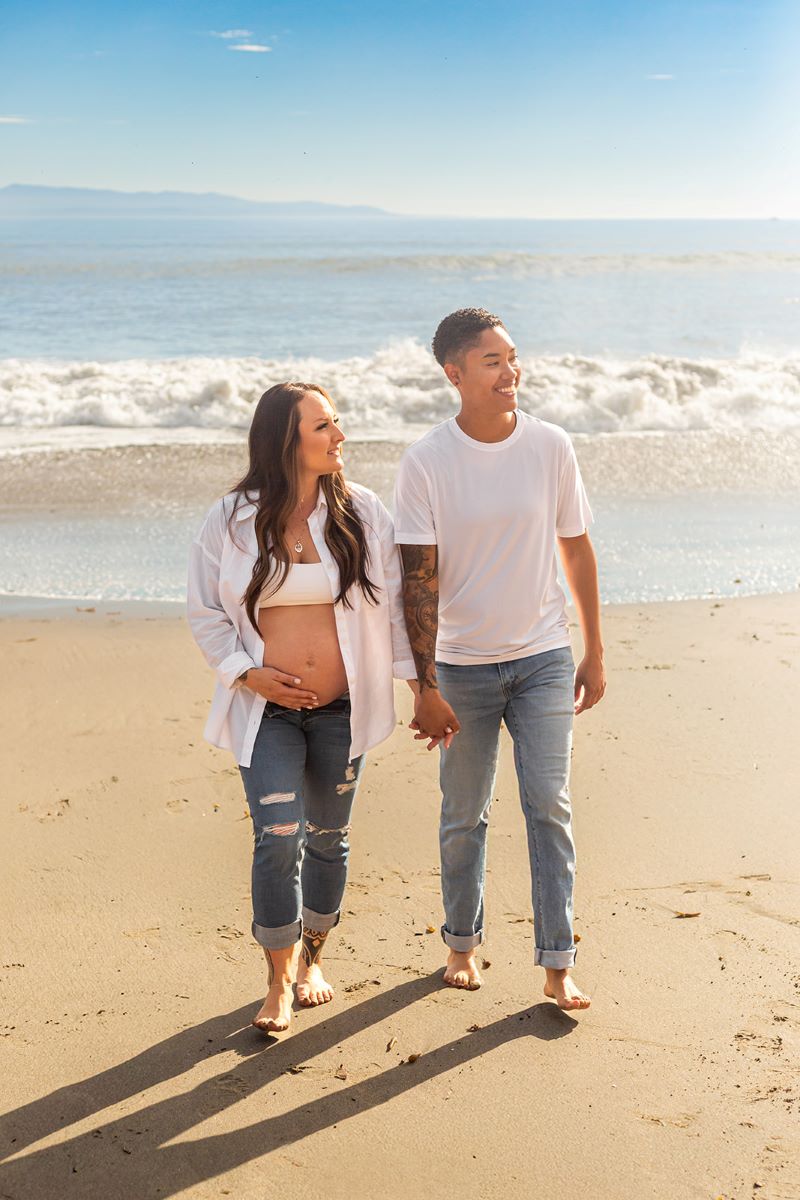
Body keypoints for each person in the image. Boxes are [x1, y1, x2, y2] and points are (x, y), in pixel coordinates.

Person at [188, 381, 417, 1034]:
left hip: (344, 711)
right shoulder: (231, 518)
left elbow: (398, 610)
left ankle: (314, 959)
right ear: (286, 439)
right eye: (324, 427)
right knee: (277, 838)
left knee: (328, 840)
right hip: (267, 715)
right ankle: (278, 980)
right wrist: (248, 673)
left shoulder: (364, 513)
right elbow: (205, 612)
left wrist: (421, 688)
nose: (339, 436)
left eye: (336, 424)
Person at [394, 309, 605, 1012]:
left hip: (544, 655)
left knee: (549, 805)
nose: (510, 371)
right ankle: (460, 942)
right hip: (462, 667)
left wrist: (593, 647)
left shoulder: (550, 446)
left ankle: (557, 963)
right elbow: (417, 580)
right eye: (492, 361)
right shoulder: (427, 461)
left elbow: (574, 546)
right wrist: (423, 684)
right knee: (465, 813)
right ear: (453, 374)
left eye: (512, 357)